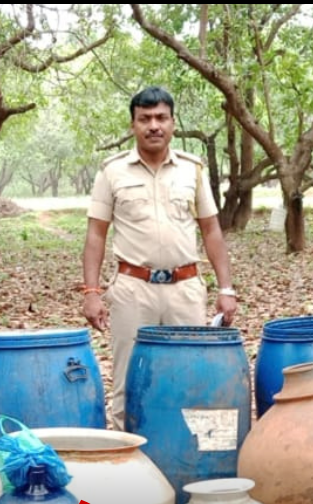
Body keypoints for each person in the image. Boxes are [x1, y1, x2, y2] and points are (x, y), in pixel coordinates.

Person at [82, 86, 239, 430]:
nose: (154, 126)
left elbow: (211, 230)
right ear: (133, 124)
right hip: (133, 289)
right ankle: (130, 466)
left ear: (172, 122)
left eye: (161, 118)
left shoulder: (192, 170)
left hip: (185, 289)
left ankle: (188, 464)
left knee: (192, 377)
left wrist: (225, 289)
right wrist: (91, 292)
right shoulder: (112, 172)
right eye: (145, 119)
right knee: (129, 381)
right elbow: (96, 234)